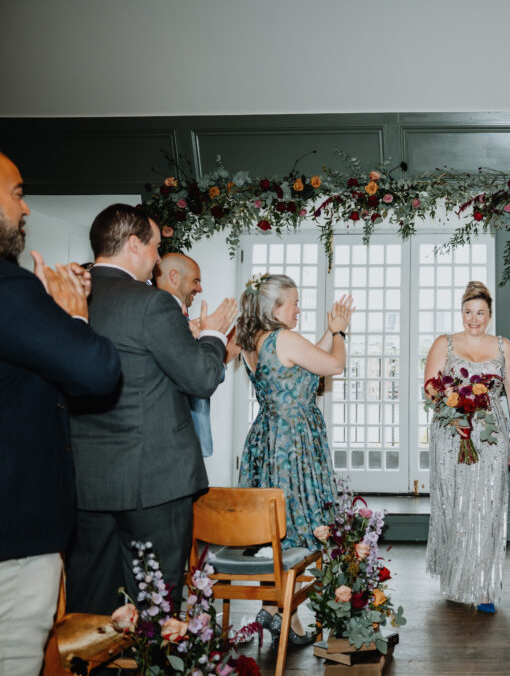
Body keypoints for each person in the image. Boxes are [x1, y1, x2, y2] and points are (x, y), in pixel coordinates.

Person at [66, 204, 236, 616]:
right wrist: (213, 333)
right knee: (156, 605)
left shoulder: (67, 296)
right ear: (133, 244)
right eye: (157, 248)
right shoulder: (151, 304)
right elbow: (199, 378)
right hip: (155, 483)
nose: (159, 259)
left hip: (87, 482)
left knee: (94, 608)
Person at [0, 153, 121, 675]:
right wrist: (72, 316)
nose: (24, 207)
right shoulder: (8, 290)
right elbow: (96, 372)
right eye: (16, 191)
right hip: (14, 534)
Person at [236, 273, 354, 644]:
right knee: (300, 524)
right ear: (275, 308)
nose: (299, 308)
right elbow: (332, 365)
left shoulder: (252, 341)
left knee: (275, 527)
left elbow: (306, 362)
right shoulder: (283, 337)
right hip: (294, 445)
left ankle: (275, 610)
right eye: (295, 303)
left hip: (267, 438)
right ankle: (290, 611)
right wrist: (339, 334)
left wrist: (327, 330)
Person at [423, 281, 510, 614]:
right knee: (456, 502)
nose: (473, 318)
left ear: (490, 314)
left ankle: (483, 586)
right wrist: (453, 408)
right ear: (461, 312)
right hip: (451, 432)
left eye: (480, 312)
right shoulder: (445, 342)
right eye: (468, 311)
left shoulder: (503, 346)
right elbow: (430, 388)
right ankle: (454, 576)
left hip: (491, 435)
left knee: (487, 505)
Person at [154, 252, 240, 457]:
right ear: (174, 277)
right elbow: (196, 380)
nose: (200, 289)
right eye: (196, 281)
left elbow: (191, 371)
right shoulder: (165, 318)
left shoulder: (180, 317)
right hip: (173, 441)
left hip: (184, 439)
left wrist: (222, 356)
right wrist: (214, 339)